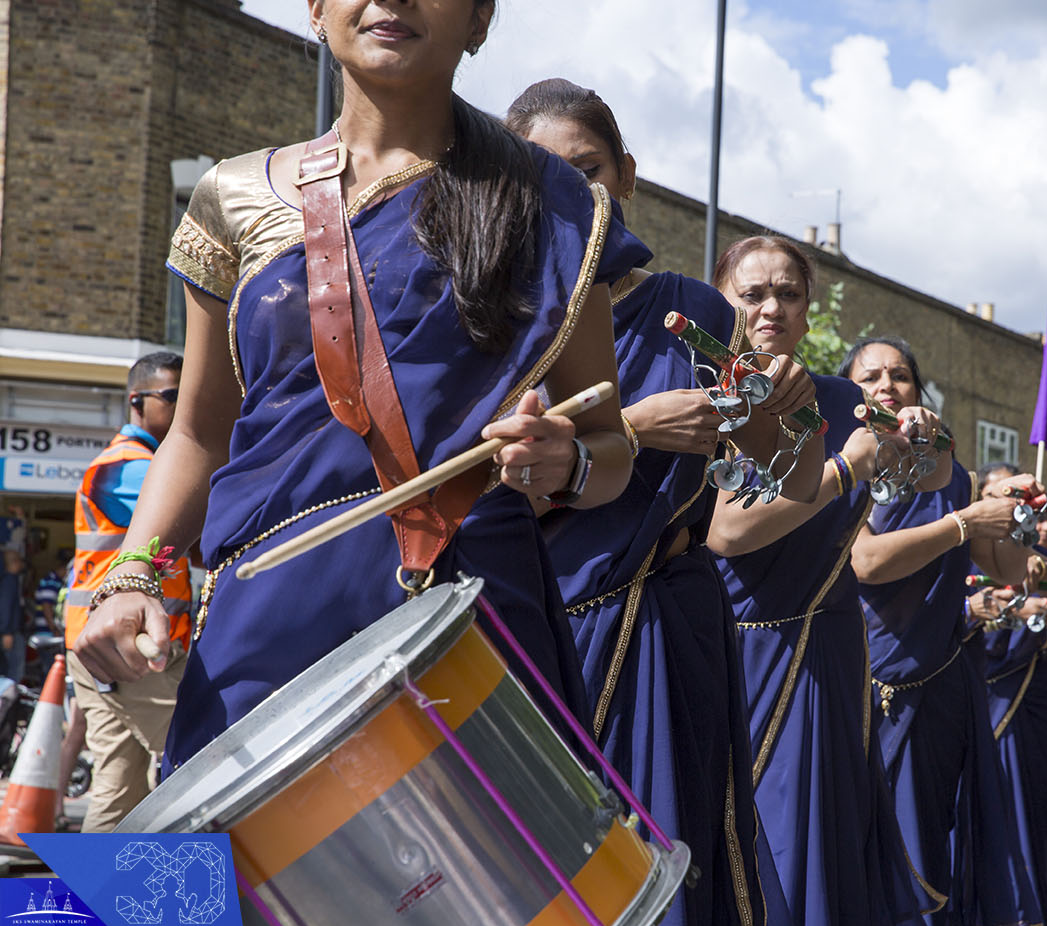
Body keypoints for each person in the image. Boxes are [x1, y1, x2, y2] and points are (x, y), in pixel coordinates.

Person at [76, 2, 641, 779]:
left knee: (480, 892)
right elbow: (200, 435)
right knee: (211, 896)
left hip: (470, 624)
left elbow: (611, 449)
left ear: (479, 19)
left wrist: (566, 462)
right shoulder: (233, 197)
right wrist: (132, 574)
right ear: (315, 8)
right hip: (269, 620)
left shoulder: (550, 202)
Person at [506, 78, 821, 926]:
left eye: (590, 168)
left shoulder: (692, 312)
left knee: (673, 859)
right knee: (558, 865)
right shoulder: (506, 320)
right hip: (546, 624)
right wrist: (632, 429)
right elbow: (481, 505)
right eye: (546, 173)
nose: (573, 191)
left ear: (628, 175)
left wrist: (790, 410)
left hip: (668, 625)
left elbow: (790, 479)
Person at [707, 237, 926, 926]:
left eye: (789, 294)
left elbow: (935, 484)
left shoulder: (845, 402)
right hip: (739, 652)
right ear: (723, 304)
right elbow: (729, 530)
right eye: (753, 294)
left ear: (807, 312)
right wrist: (845, 470)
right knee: (757, 842)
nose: (772, 306)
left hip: (831, 652)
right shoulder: (705, 395)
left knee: (824, 853)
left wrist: (925, 438)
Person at [843, 337, 1043, 926]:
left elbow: (1007, 572)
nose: (886, 385)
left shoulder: (960, 475)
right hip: (860, 682)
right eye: (870, 376)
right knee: (863, 844)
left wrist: (1017, 516)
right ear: (847, 392)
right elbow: (867, 563)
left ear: (918, 391)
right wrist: (964, 523)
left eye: (900, 375)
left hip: (940, 689)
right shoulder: (840, 464)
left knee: (929, 841)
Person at [60, 353, 193, 831]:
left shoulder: (145, 463)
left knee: (118, 793)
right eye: (173, 396)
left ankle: (89, 906)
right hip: (127, 647)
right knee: (199, 764)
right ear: (137, 402)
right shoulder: (130, 467)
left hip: (105, 645)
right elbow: (204, 509)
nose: (184, 405)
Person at [0, 550, 24, 682]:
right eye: (19, 561)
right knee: (14, 671)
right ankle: (10, 700)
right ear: (14, 562)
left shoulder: (12, 580)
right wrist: (6, 632)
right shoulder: (9, 581)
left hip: (11, 631)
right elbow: (5, 607)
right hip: (11, 633)